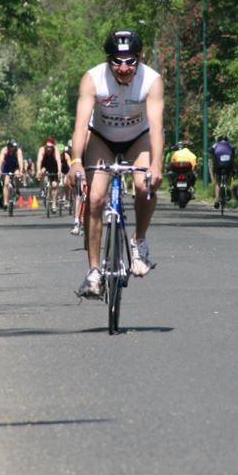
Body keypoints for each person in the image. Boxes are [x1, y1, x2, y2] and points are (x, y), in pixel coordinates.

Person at [66, 30, 164, 298]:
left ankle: (139, 241)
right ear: (108, 60)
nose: (123, 68)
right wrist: (75, 161)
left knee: (145, 185)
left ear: (139, 58)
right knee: (95, 199)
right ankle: (94, 272)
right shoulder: (93, 79)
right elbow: (80, 124)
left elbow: (156, 128)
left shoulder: (152, 81)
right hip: (102, 139)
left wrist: (156, 165)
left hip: (138, 138)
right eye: (117, 61)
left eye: (130, 61)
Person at [37, 136, 61, 213]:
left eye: (50, 147)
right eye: (47, 147)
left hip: (54, 167)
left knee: (54, 185)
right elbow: (39, 161)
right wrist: (38, 171)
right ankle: (43, 188)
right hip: (45, 165)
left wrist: (59, 171)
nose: (49, 149)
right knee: (42, 171)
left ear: (53, 146)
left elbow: (58, 161)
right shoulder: (42, 150)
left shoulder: (56, 150)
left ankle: (54, 204)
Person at [0, 139, 24, 208]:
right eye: (12, 147)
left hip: (15, 167)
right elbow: (1, 160)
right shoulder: (4, 150)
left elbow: (20, 160)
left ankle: (17, 190)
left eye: (15, 147)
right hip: (7, 168)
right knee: (6, 183)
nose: (13, 148)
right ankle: (5, 202)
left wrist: (21, 171)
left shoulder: (18, 151)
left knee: (18, 176)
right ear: (9, 146)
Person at [210, 136, 236, 208]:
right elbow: (233, 157)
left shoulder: (215, 145)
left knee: (218, 182)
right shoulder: (230, 145)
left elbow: (213, 156)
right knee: (229, 174)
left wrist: (213, 169)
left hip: (218, 165)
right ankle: (227, 187)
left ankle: (216, 200)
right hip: (228, 165)